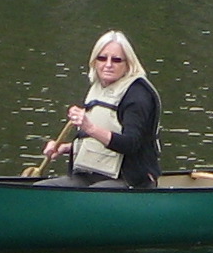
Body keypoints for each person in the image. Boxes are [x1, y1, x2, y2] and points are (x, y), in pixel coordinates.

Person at [45, 31, 160, 188]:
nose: (108, 64)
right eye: (102, 58)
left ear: (128, 64)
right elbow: (99, 143)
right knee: (44, 187)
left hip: (130, 179)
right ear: (94, 61)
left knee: (93, 194)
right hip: (91, 176)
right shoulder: (98, 88)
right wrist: (64, 148)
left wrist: (90, 128)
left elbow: (131, 144)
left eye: (116, 60)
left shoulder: (138, 96)